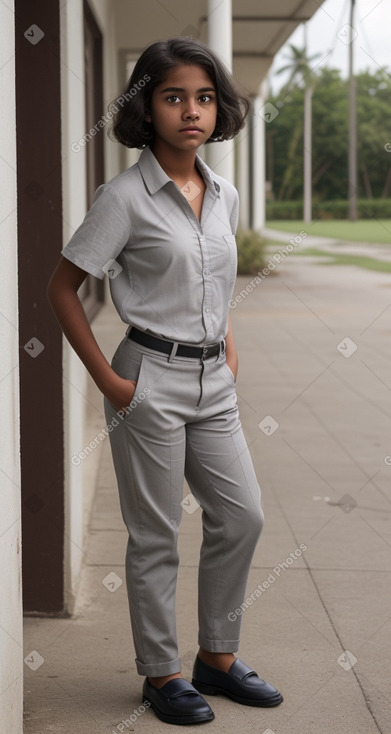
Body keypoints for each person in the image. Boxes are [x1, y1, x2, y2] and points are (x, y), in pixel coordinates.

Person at [47, 36, 283, 726]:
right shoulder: (123, 196)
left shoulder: (224, 192)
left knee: (241, 515)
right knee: (154, 535)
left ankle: (217, 657)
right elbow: (63, 289)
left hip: (214, 382)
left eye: (204, 97)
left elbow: (217, 285)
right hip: (146, 377)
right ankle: (161, 673)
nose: (191, 111)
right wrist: (110, 383)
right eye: (173, 96)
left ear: (219, 108)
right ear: (145, 107)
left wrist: (229, 350)